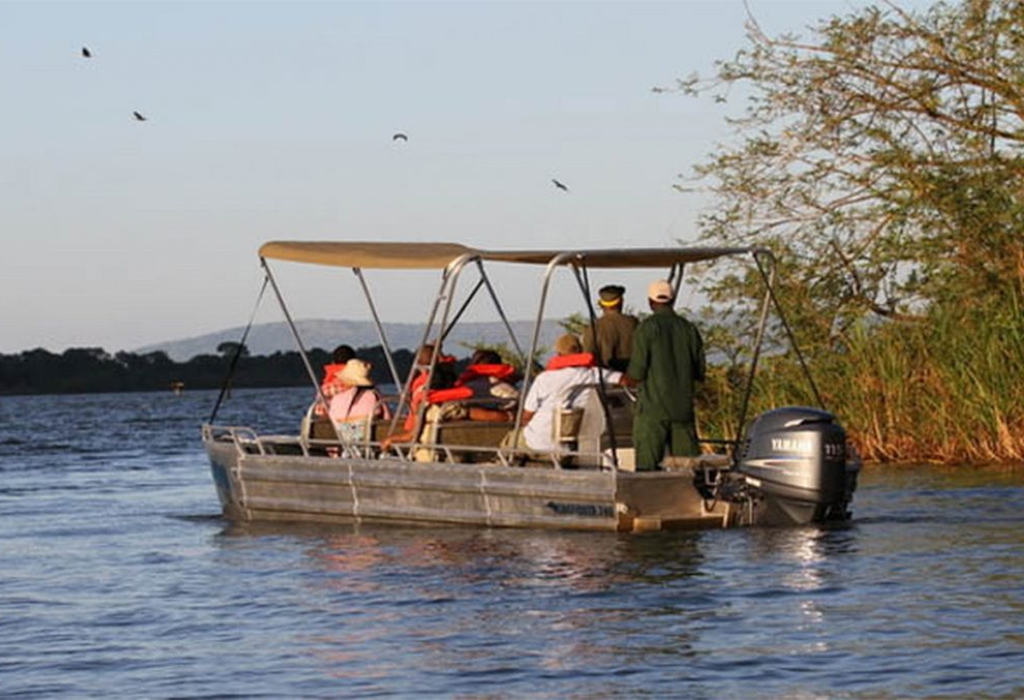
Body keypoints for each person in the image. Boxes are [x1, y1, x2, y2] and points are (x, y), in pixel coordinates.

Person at [623, 279, 706, 470]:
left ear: (650, 302)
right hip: (682, 410)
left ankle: (649, 499)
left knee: (647, 468)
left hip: (653, 412)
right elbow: (699, 372)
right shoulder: (689, 329)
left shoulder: (647, 328)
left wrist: (622, 379)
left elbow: (637, 372)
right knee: (689, 469)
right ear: (673, 300)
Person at [508, 333, 621, 454]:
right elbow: (624, 379)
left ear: (558, 354)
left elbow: (527, 416)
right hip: (568, 447)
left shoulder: (544, 378)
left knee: (510, 439)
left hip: (536, 442)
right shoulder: (593, 374)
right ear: (581, 351)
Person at [328, 359, 391, 443]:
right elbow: (388, 420)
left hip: (344, 445)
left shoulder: (336, 399)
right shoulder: (375, 396)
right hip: (368, 445)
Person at [582, 284, 638, 372]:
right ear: (621, 302)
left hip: (605, 381)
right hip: (632, 380)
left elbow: (587, 359)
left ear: (601, 304)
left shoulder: (594, 328)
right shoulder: (634, 324)